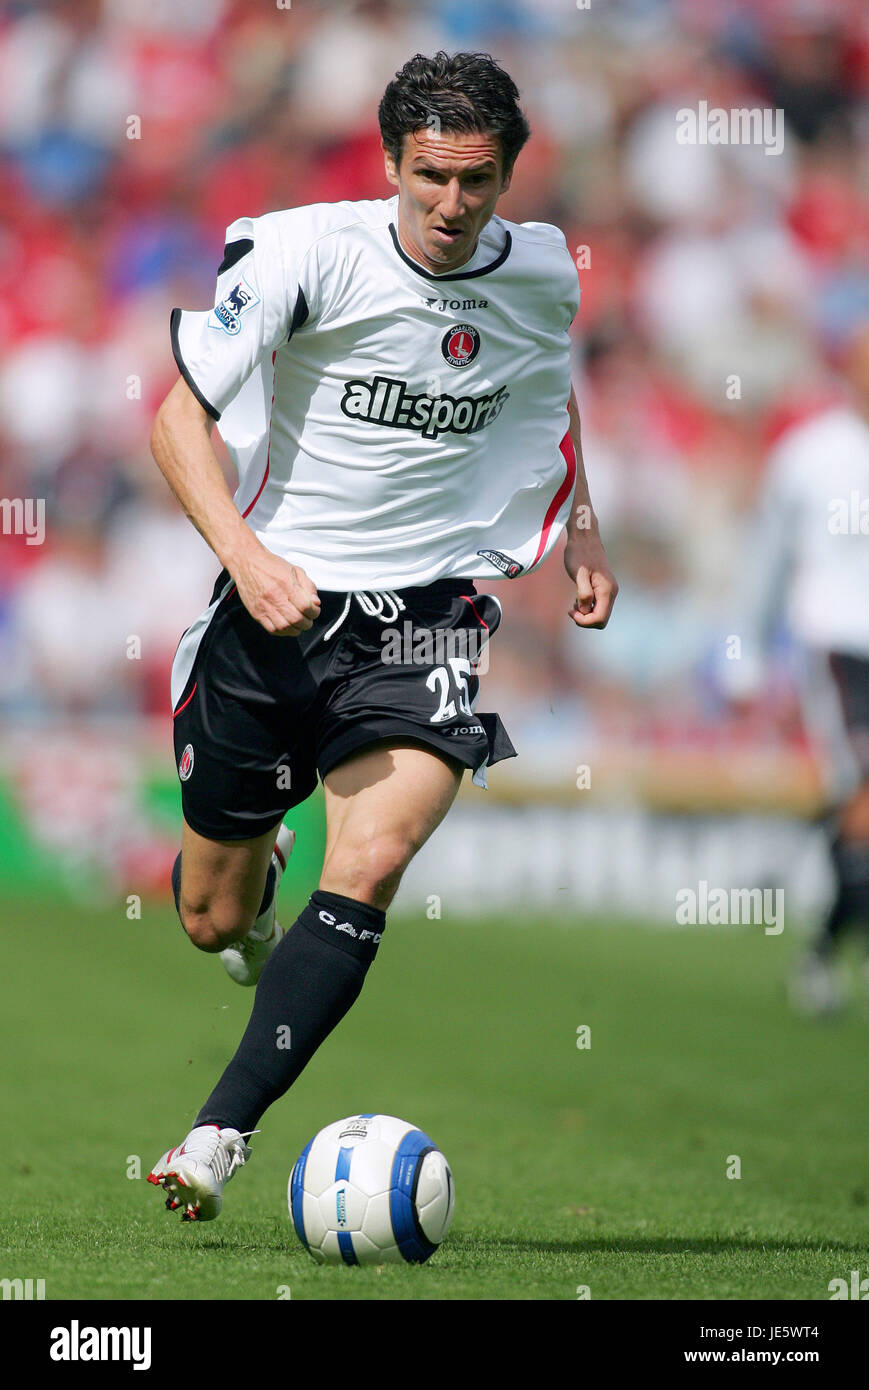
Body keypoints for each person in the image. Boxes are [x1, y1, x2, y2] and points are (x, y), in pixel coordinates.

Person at [146, 50, 617, 1222]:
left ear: (508, 170)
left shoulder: (546, 272)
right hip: (278, 608)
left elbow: (541, 407)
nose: (453, 206)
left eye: (477, 181)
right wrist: (248, 562)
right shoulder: (306, 252)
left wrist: (582, 534)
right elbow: (175, 422)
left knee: (371, 865)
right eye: (429, 179)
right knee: (211, 916)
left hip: (425, 621)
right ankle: (255, 899)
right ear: (390, 162)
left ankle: (217, 1134)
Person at [723, 314, 869, 1015]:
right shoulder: (811, 454)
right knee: (865, 793)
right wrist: (743, 658)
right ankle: (824, 954)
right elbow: (765, 565)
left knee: (857, 804)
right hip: (840, 645)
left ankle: (818, 950)